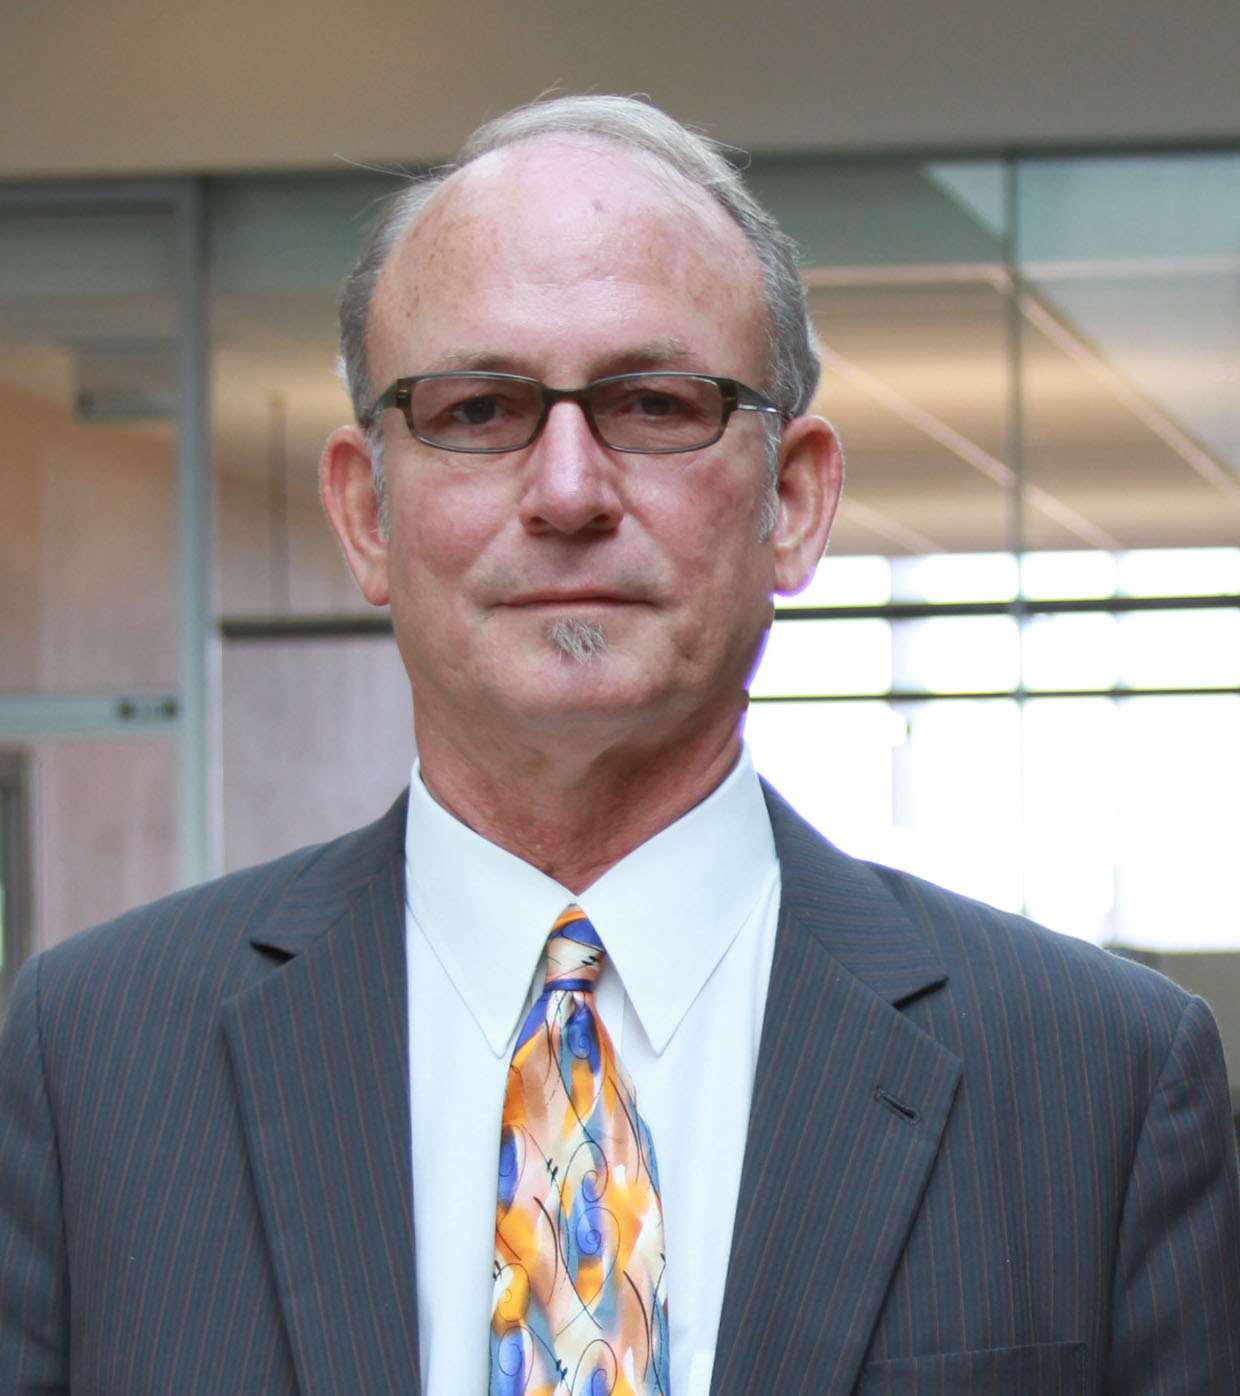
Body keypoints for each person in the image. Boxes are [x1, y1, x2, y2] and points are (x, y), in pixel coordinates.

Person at [1, 95, 1237, 1396]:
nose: (569, 491)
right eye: (479, 410)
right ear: (366, 515)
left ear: (794, 502)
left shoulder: (1096, 1084)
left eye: (653, 404)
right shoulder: (95, 1060)